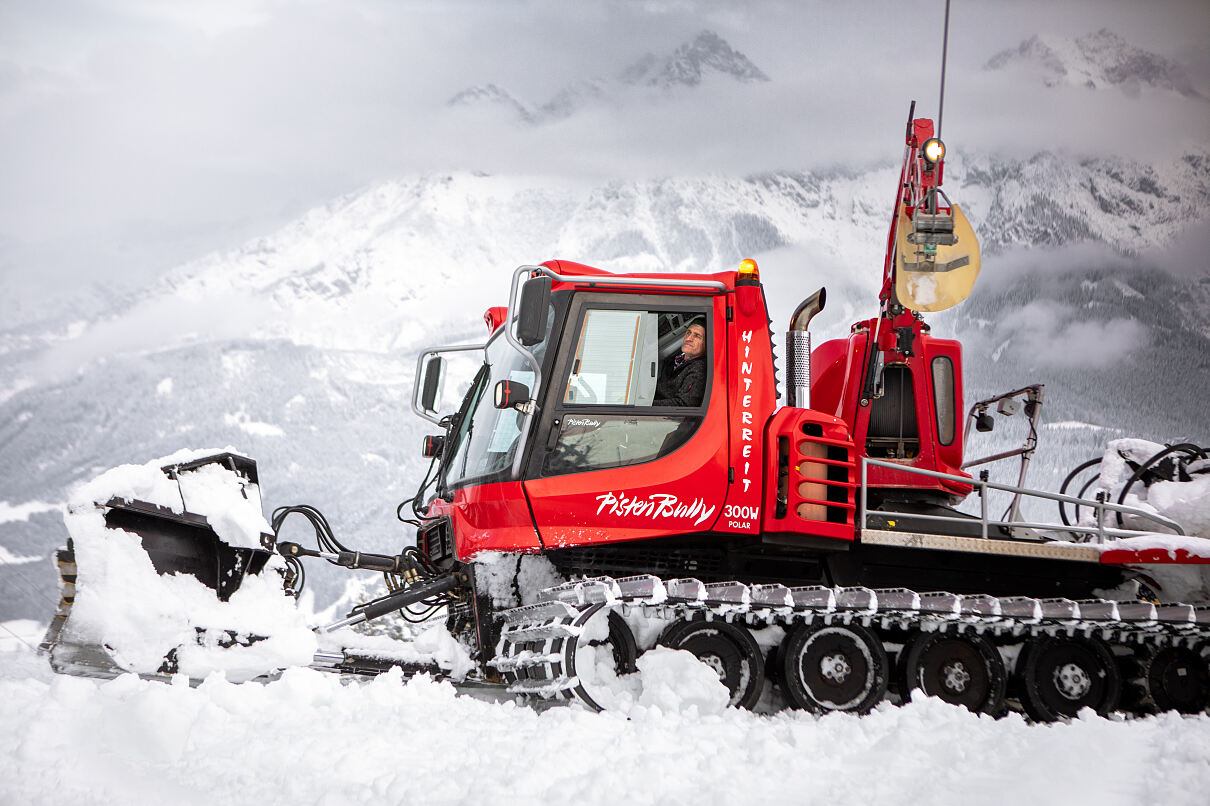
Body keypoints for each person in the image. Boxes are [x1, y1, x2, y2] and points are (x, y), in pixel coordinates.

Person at [654, 319, 707, 406]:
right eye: (688, 332)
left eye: (697, 336)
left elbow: (683, 404)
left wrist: (646, 404)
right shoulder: (673, 360)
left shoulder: (699, 369)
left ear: (707, 344)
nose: (689, 338)